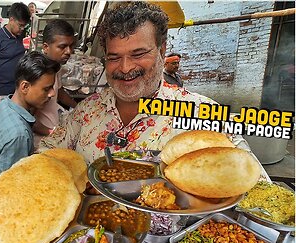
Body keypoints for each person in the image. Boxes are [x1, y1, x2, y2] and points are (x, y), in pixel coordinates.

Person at [40, 2, 215, 163]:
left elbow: (237, 171)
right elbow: (44, 156)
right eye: (114, 57)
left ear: (162, 51)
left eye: (138, 54)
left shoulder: (200, 112)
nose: (125, 68)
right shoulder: (86, 111)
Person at [0, 51, 60, 183]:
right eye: (46, 89)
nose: (52, 93)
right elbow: (12, 186)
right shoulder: (19, 135)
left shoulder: (3, 106)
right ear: (25, 87)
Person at [33, 19, 78, 147]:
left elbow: (59, 91)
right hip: (41, 142)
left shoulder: (55, 66)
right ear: (46, 47)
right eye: (62, 47)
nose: (69, 51)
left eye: (71, 46)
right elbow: (29, 118)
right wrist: (52, 132)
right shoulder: (39, 73)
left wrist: (79, 107)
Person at [0, 2, 31, 96]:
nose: (22, 28)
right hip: (1, 88)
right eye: (20, 25)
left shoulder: (20, 35)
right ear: (11, 20)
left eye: (24, 26)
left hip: (17, 86)